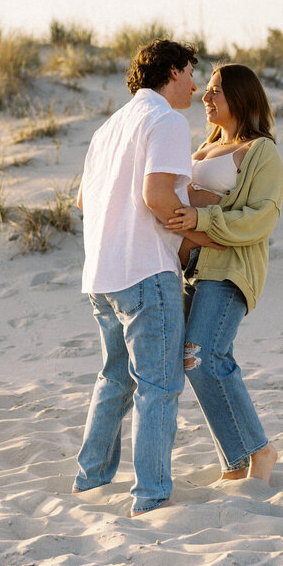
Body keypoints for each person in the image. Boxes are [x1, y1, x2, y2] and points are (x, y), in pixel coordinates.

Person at [71, 39, 218, 516]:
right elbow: (157, 196)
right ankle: (151, 497)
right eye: (193, 72)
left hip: (101, 275)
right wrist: (208, 236)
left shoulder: (108, 128)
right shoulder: (167, 121)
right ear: (172, 71)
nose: (196, 85)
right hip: (145, 272)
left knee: (115, 379)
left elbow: (82, 203)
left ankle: (91, 482)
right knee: (158, 384)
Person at [165, 63, 283, 485]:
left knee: (202, 356)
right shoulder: (204, 146)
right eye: (208, 89)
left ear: (241, 97)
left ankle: (260, 451)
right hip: (188, 269)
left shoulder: (260, 152)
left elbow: (259, 219)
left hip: (229, 269)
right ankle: (235, 464)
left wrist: (201, 218)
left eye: (216, 89)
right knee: (194, 359)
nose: (206, 97)